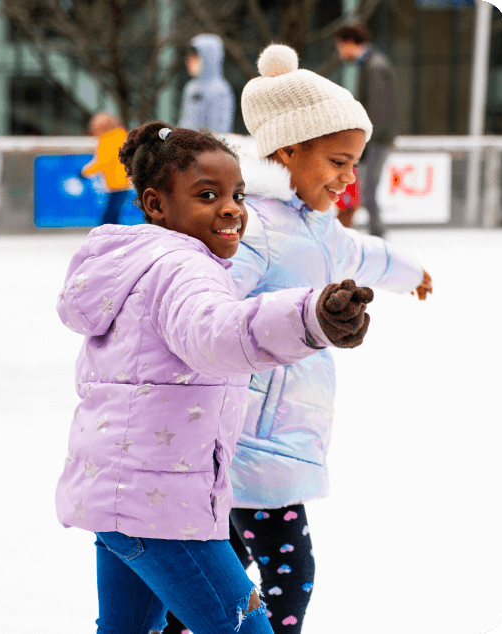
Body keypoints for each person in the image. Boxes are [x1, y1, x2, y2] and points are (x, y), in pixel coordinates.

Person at [55, 120, 375, 634]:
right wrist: (308, 317)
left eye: (237, 194)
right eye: (208, 195)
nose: (231, 208)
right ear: (157, 204)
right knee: (243, 626)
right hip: (164, 509)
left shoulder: (138, 264)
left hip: (120, 496)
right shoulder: (184, 269)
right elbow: (217, 334)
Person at [165, 44, 432, 634]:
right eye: (338, 160)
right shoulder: (252, 224)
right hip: (250, 436)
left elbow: (362, 254)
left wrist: (409, 273)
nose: (348, 176)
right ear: (288, 151)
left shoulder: (318, 227)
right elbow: (210, 308)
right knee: (288, 570)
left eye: (355, 162)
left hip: (275, 432)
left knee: (222, 569)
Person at [336, 24, 396, 238]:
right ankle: (376, 236)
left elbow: (377, 112)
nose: (340, 52)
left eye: (341, 46)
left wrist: (363, 144)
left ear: (351, 43)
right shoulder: (371, 64)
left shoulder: (374, 67)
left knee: (367, 193)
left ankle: (378, 238)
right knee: (366, 192)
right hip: (375, 140)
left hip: (376, 141)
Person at [82, 111, 133, 225]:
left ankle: (110, 241)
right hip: (124, 182)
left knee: (107, 219)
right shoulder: (122, 135)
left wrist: (84, 172)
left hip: (116, 184)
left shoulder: (107, 139)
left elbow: (104, 162)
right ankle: (115, 240)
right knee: (113, 216)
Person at [178, 33, 235, 134]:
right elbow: (184, 122)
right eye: (189, 57)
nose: (189, 61)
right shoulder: (190, 88)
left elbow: (218, 132)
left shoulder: (220, 91)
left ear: (209, 58)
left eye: (195, 57)